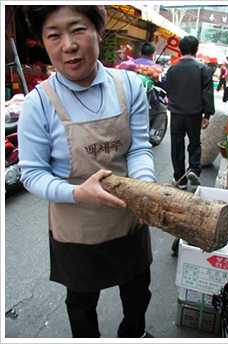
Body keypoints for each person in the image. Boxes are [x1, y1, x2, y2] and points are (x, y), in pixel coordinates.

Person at [18, 5, 157, 339]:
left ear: (99, 30)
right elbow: (33, 173)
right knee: (81, 303)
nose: (68, 44)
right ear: (44, 42)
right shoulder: (38, 104)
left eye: (77, 29)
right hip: (75, 228)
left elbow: (137, 147)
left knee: (138, 292)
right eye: (54, 35)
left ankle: (133, 332)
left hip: (127, 219)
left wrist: (146, 188)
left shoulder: (129, 87)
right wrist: (78, 192)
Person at [166, 35, 215, 189]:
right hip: (194, 114)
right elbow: (207, 94)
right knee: (194, 143)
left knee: (177, 145)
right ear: (196, 50)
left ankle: (180, 179)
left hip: (176, 114)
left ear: (180, 50)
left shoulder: (172, 69)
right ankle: (194, 168)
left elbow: (170, 91)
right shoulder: (203, 69)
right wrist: (206, 115)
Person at [134, 42, 167, 145]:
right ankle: (152, 133)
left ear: (140, 53)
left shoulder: (129, 64)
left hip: (125, 101)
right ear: (153, 54)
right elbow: (164, 86)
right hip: (147, 104)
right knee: (162, 110)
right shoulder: (157, 69)